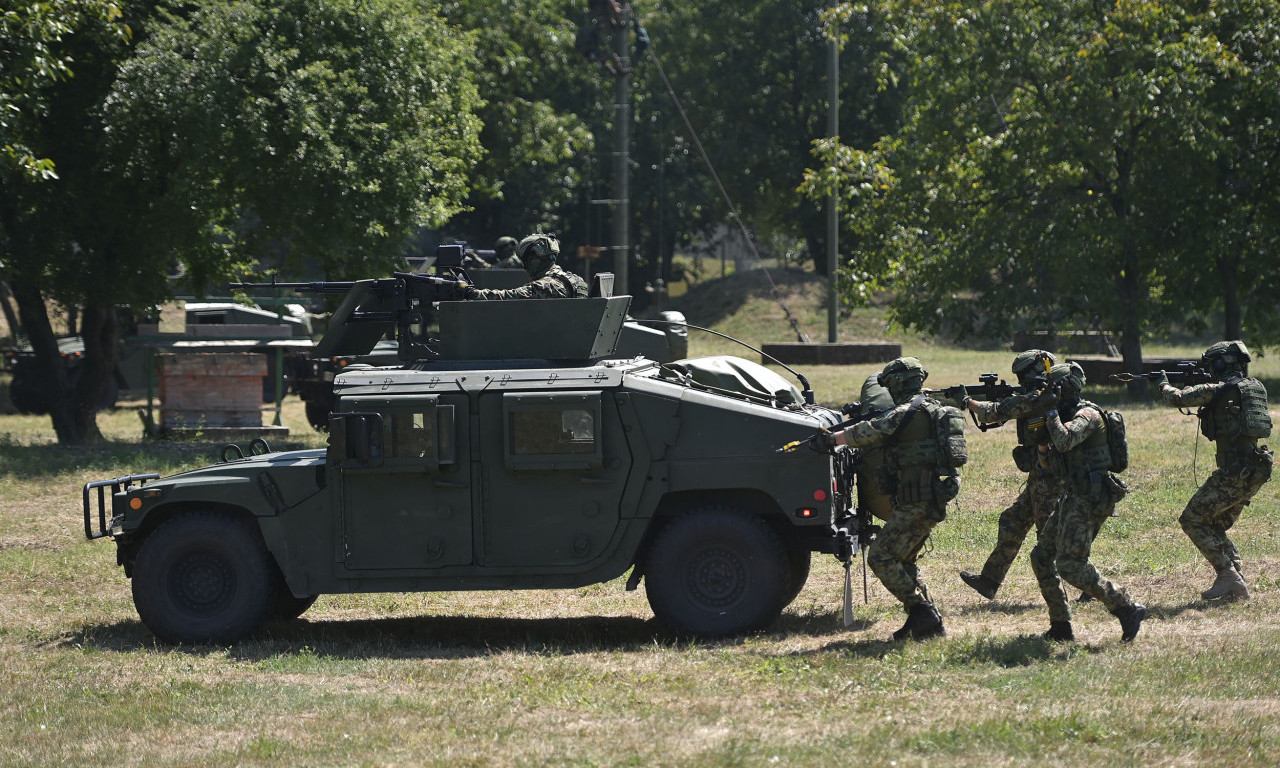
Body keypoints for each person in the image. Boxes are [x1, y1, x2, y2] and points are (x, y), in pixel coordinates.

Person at [822, 357, 964, 641]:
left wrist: (830, 440)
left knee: (881, 556)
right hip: (929, 497)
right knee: (906, 559)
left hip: (916, 500)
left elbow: (869, 431)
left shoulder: (905, 413)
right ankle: (930, 623)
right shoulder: (935, 409)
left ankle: (921, 610)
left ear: (897, 383)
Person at [1030, 362, 1146, 642]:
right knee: (1042, 557)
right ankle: (1061, 626)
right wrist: (1042, 443)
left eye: (1053, 389)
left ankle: (1126, 606)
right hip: (1073, 494)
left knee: (1070, 564)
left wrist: (1049, 414)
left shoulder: (1088, 414)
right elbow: (1049, 463)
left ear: (1066, 388)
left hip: (1091, 496)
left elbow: (1067, 441)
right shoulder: (1063, 415)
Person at [1155, 341, 1273, 601]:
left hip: (1235, 471)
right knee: (1215, 523)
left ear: (1221, 364)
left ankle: (1228, 575)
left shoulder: (1218, 389)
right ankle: (1235, 581)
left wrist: (1164, 383)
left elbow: (1177, 398)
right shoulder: (1254, 387)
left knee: (1192, 519)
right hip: (1257, 468)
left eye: (1212, 364)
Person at [954, 350, 1069, 600]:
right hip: (1041, 472)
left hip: (1052, 474)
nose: (1021, 380)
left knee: (1050, 536)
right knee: (1013, 520)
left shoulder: (1041, 395)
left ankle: (1086, 584)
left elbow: (995, 412)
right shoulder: (1043, 392)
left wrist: (966, 401)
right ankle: (989, 581)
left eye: (1022, 375)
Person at [464, 234, 588, 300]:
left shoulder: (544, 286)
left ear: (535, 257)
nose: (525, 266)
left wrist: (470, 293)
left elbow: (507, 296)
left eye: (526, 260)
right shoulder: (576, 280)